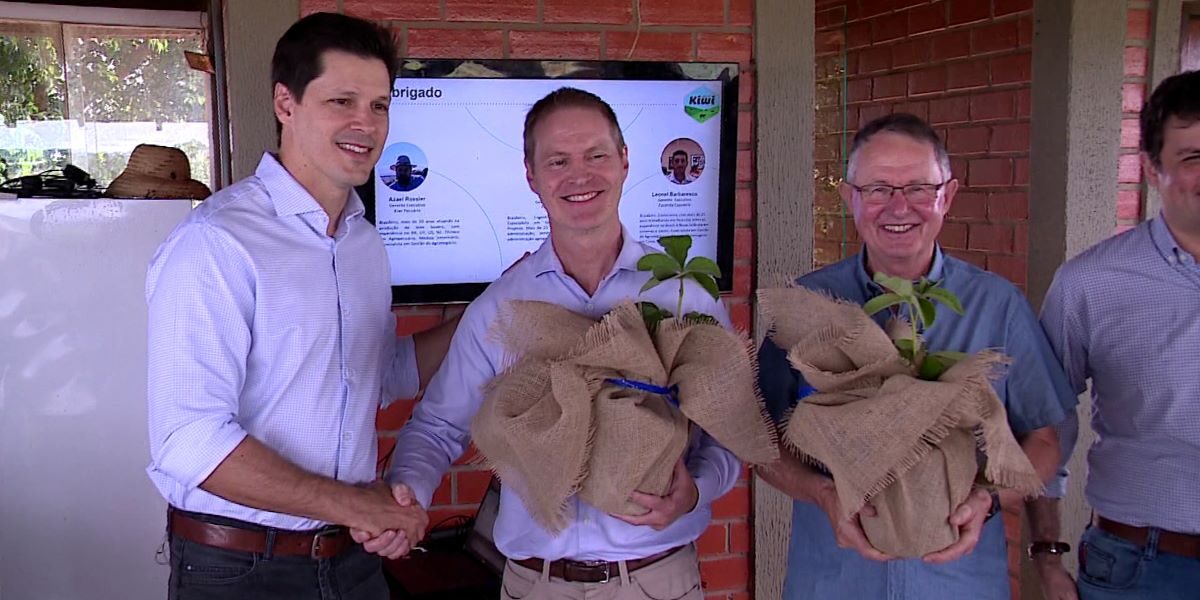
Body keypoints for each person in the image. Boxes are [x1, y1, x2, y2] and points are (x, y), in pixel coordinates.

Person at [146, 13, 458, 599]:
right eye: (342, 100)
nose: (365, 124)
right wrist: (360, 503)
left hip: (350, 559)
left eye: (380, 105)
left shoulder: (364, 242)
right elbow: (189, 439)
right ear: (285, 104)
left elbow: (378, 374)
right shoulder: (218, 241)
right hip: (241, 569)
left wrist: (488, 312)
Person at [383, 87, 740, 600]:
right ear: (531, 175)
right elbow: (437, 426)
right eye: (558, 160)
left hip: (657, 580)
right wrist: (407, 494)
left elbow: (729, 428)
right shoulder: (502, 307)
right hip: (535, 584)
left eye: (596, 155)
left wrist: (696, 491)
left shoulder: (682, 295)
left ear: (623, 161)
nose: (580, 175)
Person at [756, 112, 1077, 599]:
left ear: (947, 195)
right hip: (834, 581)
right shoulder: (810, 306)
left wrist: (988, 501)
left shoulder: (996, 306)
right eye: (879, 189)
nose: (898, 207)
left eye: (919, 189)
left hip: (959, 584)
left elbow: (1046, 438)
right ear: (850, 198)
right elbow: (759, 440)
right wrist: (821, 494)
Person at [1040, 69, 1200, 600]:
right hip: (1145, 568)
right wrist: (1044, 554)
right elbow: (1044, 425)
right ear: (1153, 169)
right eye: (1193, 158)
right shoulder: (1091, 284)